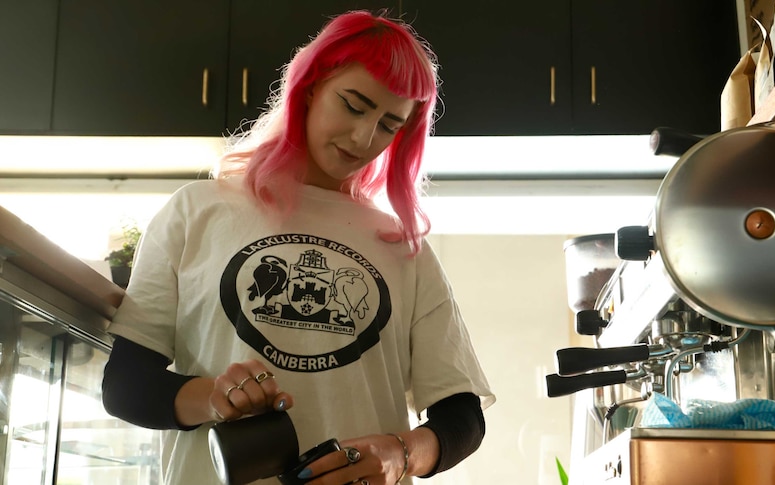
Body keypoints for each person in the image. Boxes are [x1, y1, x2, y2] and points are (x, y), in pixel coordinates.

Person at [101, 9, 495, 485]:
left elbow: (463, 418)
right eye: (353, 104)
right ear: (309, 87)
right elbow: (126, 386)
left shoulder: (401, 247)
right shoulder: (197, 212)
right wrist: (214, 396)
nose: (364, 137)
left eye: (390, 124)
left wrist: (400, 454)